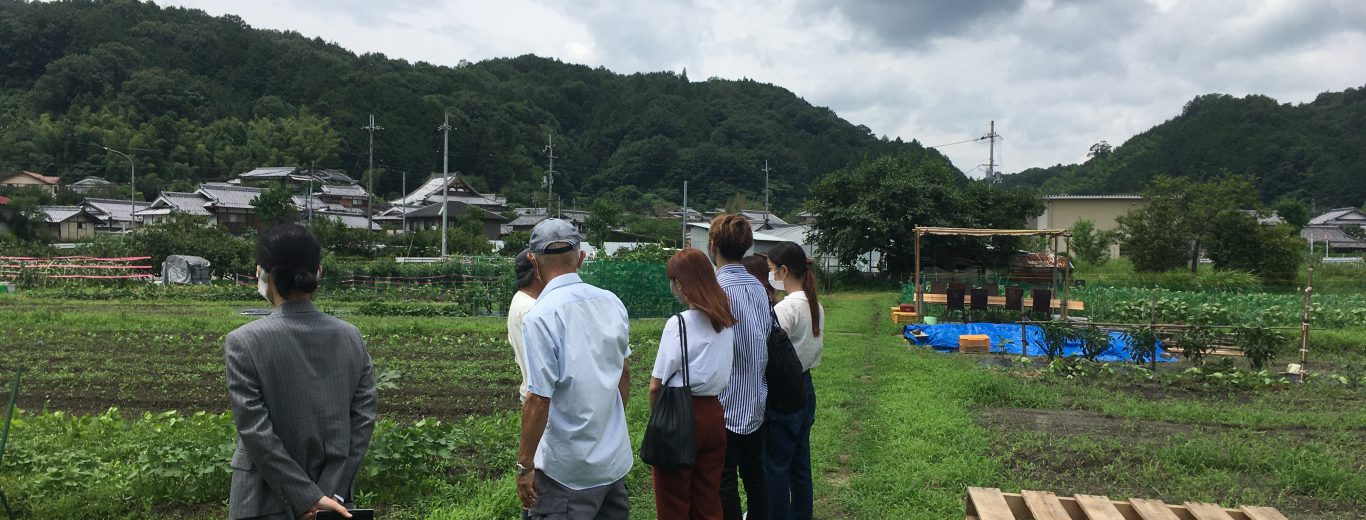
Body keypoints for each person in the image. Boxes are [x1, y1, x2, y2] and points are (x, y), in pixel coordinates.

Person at [225, 224, 377, 520]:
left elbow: (256, 431)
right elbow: (363, 420)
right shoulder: (351, 337)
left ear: (262, 273)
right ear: (318, 271)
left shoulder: (244, 342)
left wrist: (306, 498)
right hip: (335, 505)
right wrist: (329, 495)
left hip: (261, 502)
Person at [516, 219, 633, 519]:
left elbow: (539, 398)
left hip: (565, 473)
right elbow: (624, 373)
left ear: (532, 259)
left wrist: (525, 465)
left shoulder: (541, 315)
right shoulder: (612, 302)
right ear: (580, 257)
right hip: (613, 464)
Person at [650, 248, 737, 520]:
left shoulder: (678, 324)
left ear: (681, 284)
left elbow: (656, 385)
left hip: (680, 415)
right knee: (707, 496)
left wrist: (659, 421)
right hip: (714, 413)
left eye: (673, 281)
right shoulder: (725, 320)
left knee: (673, 499)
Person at [708, 214, 772, 520]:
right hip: (757, 395)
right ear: (747, 247)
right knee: (755, 473)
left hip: (724, 400)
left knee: (724, 478)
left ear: (712, 245)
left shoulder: (715, 289)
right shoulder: (759, 288)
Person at [761, 242, 825, 520]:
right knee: (800, 462)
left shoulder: (785, 309)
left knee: (775, 466)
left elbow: (770, 352)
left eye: (771, 270)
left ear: (784, 270)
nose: (770, 276)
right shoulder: (815, 304)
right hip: (806, 388)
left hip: (783, 394)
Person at [508, 249, 546, 402]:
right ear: (536, 271)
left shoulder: (519, 299)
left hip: (532, 396)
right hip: (542, 401)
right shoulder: (532, 309)